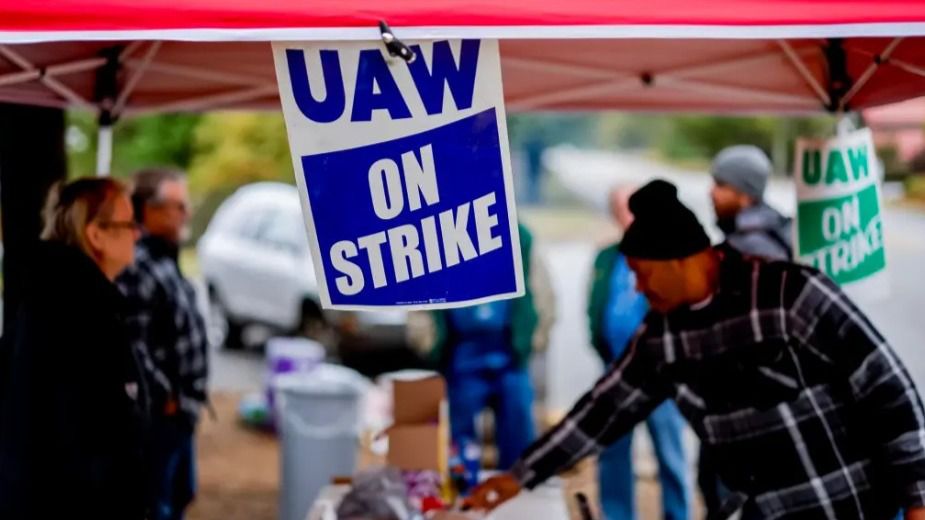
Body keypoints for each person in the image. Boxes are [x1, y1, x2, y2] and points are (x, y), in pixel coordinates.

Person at [466, 180, 925, 520]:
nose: (639, 288)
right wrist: (519, 476)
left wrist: (918, 500)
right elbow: (602, 410)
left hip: (850, 505)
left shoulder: (790, 293)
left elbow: (890, 392)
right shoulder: (662, 337)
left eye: (642, 273)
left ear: (680, 260)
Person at [0, 178, 147, 520]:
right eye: (129, 224)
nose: (137, 234)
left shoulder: (56, 294)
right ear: (96, 234)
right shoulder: (79, 311)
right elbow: (85, 434)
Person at [407, 223, 554, 470]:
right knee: (459, 438)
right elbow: (420, 292)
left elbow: (542, 292)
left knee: (518, 430)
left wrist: (535, 338)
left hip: (509, 351)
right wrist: (427, 341)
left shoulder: (520, 236)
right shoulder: (437, 231)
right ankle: (462, 485)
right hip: (462, 353)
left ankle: (518, 483)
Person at [702, 145, 795, 518]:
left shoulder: (753, 249)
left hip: (745, 408)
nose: (711, 192)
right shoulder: (766, 235)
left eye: (721, 185)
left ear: (745, 193)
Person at [588, 186, 688, 520]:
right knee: (613, 451)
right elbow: (595, 305)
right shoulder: (608, 257)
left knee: (670, 453)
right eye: (621, 208)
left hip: (659, 373)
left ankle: (677, 514)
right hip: (617, 370)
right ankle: (617, 515)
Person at [117, 168, 208, 520]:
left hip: (181, 412)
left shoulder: (165, 257)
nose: (186, 213)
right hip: (160, 416)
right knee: (157, 504)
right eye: (177, 206)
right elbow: (131, 345)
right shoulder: (137, 265)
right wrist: (166, 397)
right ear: (149, 210)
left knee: (181, 494)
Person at [710, 145, 792, 261]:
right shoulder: (771, 226)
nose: (711, 192)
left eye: (721, 185)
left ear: (746, 196)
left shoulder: (753, 246)